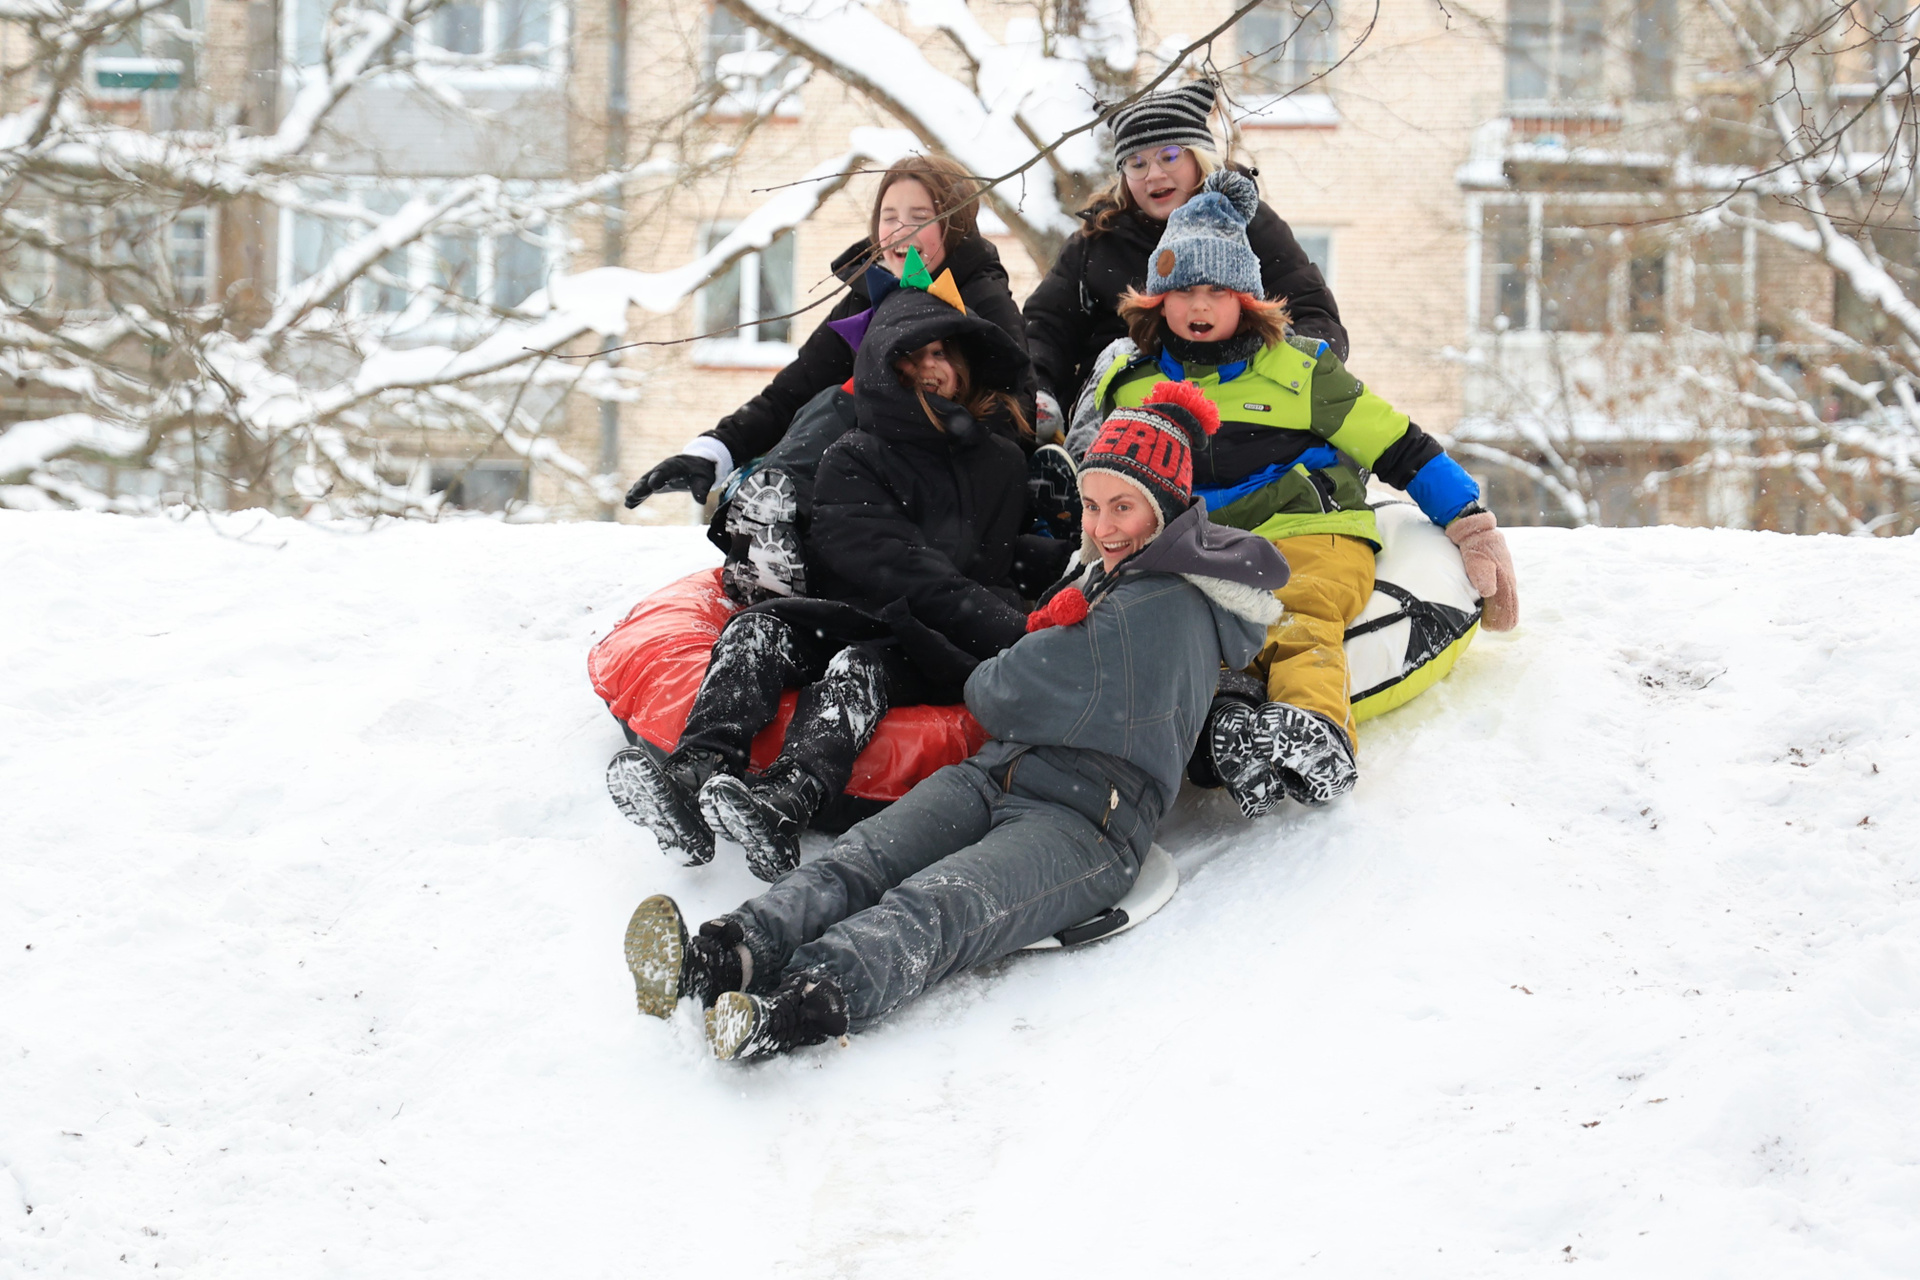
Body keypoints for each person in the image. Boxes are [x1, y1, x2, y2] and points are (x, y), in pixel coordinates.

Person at [620, 385, 1291, 1060]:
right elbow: (1026, 681)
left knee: (941, 903)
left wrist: (1036, 645)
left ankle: (798, 1005)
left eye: (1123, 506)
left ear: (1165, 507)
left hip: (1090, 818)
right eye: (1092, 505)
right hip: (999, 770)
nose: (1103, 526)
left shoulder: (1156, 602)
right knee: (865, 857)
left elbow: (996, 692)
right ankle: (725, 953)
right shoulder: (1106, 578)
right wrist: (1045, 639)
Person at [1069, 167, 1521, 817]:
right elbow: (1111, 482)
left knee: (1298, 614)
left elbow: (1400, 444)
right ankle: (1227, 731)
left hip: (1307, 526)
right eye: (1184, 290)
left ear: (1247, 299)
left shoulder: (1301, 369)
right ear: (1157, 299)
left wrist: (1470, 523)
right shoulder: (1133, 384)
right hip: (1197, 543)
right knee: (1175, 627)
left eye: (1218, 291)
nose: (1199, 307)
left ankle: (1315, 730)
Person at [606, 276, 1063, 882]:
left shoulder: (1000, 461)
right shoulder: (854, 455)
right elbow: (890, 559)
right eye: (910, 357)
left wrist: (1059, 567)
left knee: (856, 670)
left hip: (928, 641)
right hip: (855, 608)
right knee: (757, 632)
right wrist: (1009, 627)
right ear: (882, 369)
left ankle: (788, 798)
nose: (929, 369)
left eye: (939, 353)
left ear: (963, 362)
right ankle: (694, 771)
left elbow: (995, 555)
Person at [621, 155, 1034, 603]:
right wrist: (713, 451)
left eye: (921, 217)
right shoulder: (871, 295)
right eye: (889, 216)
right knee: (830, 403)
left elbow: (1014, 410)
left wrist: (925, 422)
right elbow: (794, 389)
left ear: (955, 226)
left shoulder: (981, 299)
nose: (901, 231)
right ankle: (770, 531)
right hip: (867, 486)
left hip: (948, 494)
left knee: (845, 403)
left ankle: (784, 527)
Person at [1023, 79, 1347, 440]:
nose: (1154, 174)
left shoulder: (1248, 226)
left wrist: (1287, 372)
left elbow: (1313, 314)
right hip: (1123, 415)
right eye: (1137, 163)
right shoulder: (1098, 238)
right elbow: (1044, 328)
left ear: (1199, 157)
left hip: (1241, 411)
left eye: (1169, 156)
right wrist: (1040, 392)